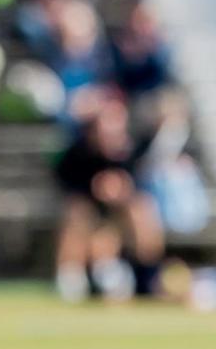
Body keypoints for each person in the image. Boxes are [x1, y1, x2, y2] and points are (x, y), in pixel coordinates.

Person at [50, 80, 158, 301]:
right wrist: (96, 188)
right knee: (79, 216)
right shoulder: (77, 154)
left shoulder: (132, 152)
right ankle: (72, 277)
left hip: (119, 213)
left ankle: (147, 275)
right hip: (88, 210)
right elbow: (69, 187)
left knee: (141, 212)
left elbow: (138, 187)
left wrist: (121, 190)